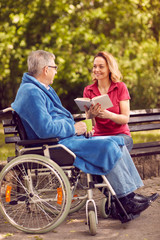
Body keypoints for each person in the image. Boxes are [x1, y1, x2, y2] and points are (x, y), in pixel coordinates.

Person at [11, 50, 158, 221]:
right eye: (54, 67)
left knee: (117, 141)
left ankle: (127, 198)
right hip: (55, 144)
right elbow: (46, 129)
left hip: (64, 139)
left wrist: (79, 127)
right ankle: (125, 200)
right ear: (45, 69)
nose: (56, 71)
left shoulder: (39, 89)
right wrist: (74, 128)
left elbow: (124, 118)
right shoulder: (31, 91)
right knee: (110, 144)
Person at [83, 51, 133, 152]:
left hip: (121, 136)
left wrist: (109, 115)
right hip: (99, 137)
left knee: (110, 148)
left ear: (109, 68)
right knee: (104, 148)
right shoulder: (88, 90)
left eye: (101, 67)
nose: (97, 70)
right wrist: (90, 116)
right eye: (94, 66)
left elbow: (125, 119)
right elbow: (90, 125)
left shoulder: (120, 87)